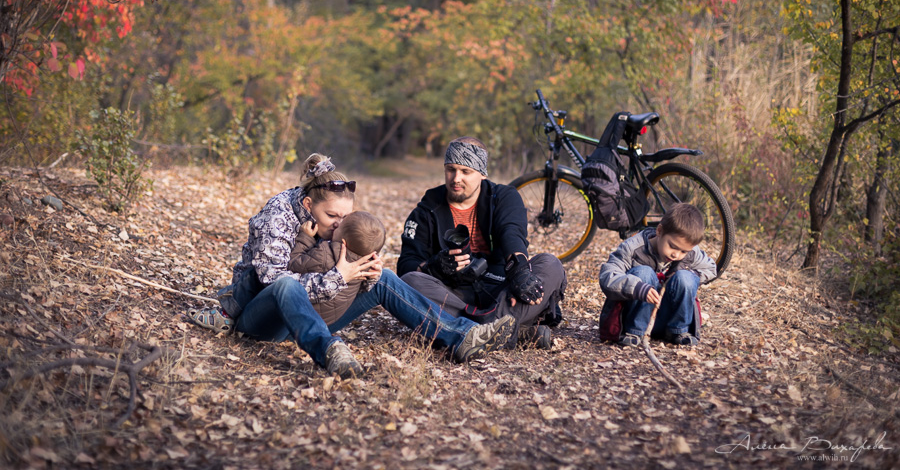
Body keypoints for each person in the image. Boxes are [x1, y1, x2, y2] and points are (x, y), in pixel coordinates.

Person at [188, 154, 515, 378]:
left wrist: (366, 272)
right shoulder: (278, 216)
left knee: (384, 278)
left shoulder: (336, 224)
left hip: (312, 312)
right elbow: (270, 281)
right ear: (308, 205)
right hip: (263, 320)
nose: (339, 225)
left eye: (345, 217)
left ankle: (461, 336)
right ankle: (329, 350)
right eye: (332, 216)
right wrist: (338, 277)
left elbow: (344, 263)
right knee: (285, 285)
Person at [397, 137, 567, 349]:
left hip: (502, 289)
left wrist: (519, 272)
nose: (456, 178)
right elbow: (406, 266)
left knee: (551, 264)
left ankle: (469, 331)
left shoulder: (503, 197)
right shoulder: (427, 209)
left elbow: (512, 233)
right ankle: (509, 330)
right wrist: (433, 266)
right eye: (451, 169)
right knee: (410, 281)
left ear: (482, 173)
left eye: (465, 171)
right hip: (454, 295)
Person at [597, 203, 716, 346]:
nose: (676, 255)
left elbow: (710, 269)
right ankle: (635, 331)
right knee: (644, 272)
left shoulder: (691, 253)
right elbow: (608, 276)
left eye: (683, 251)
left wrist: (686, 275)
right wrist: (636, 287)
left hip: (668, 316)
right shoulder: (633, 248)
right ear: (659, 231)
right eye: (672, 246)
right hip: (637, 315)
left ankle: (679, 330)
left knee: (685, 277)